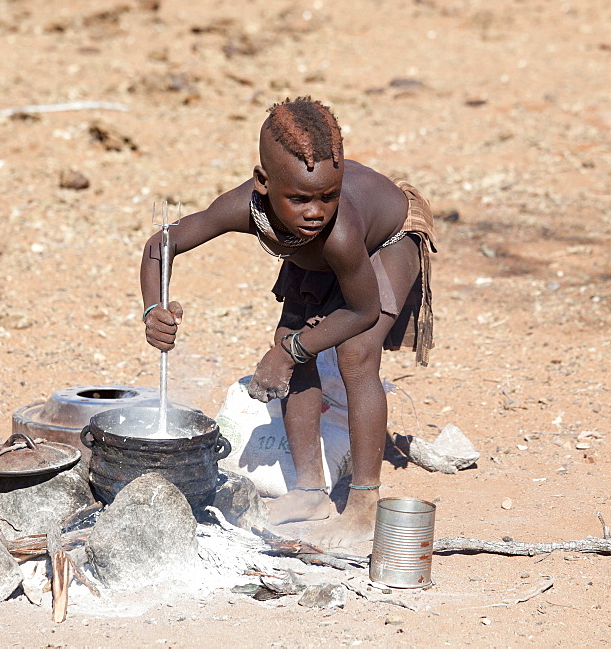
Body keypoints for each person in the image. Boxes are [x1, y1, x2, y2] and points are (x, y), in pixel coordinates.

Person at [140, 96, 436, 551]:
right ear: (263, 182)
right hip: (309, 255)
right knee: (290, 339)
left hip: (386, 242)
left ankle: (364, 506)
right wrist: (152, 309)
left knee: (355, 355)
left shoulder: (337, 230)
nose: (316, 210)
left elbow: (363, 311)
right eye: (299, 198)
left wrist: (290, 352)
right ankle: (309, 492)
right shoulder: (245, 207)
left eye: (327, 196)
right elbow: (163, 244)